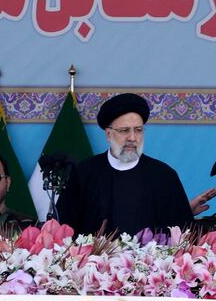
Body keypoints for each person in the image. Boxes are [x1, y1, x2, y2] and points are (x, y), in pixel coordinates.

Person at [55, 93, 192, 236]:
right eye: (124, 130)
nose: (132, 138)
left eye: (138, 130)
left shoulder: (164, 176)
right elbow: (65, 231)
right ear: (108, 134)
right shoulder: (84, 173)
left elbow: (182, 232)